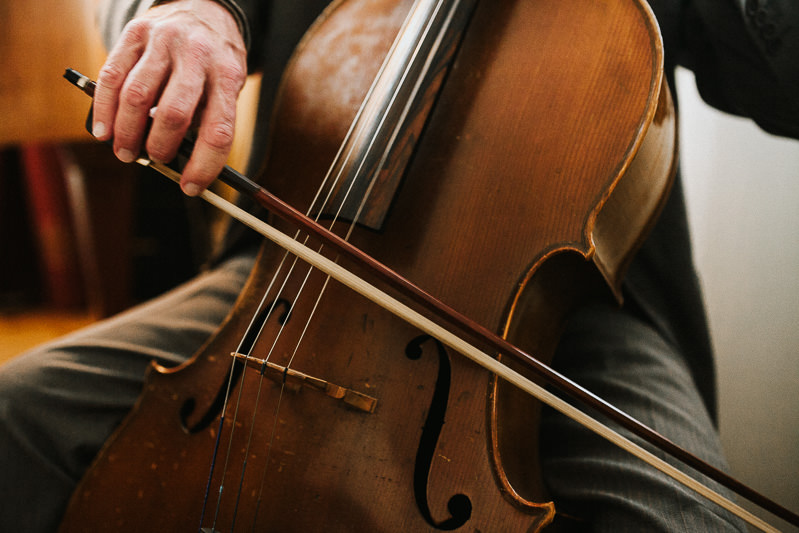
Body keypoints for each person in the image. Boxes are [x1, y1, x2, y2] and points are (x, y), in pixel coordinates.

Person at [1, 0, 797, 531]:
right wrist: (191, 8)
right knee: (19, 419)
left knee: (682, 517)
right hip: (296, 262)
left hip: (568, 309)